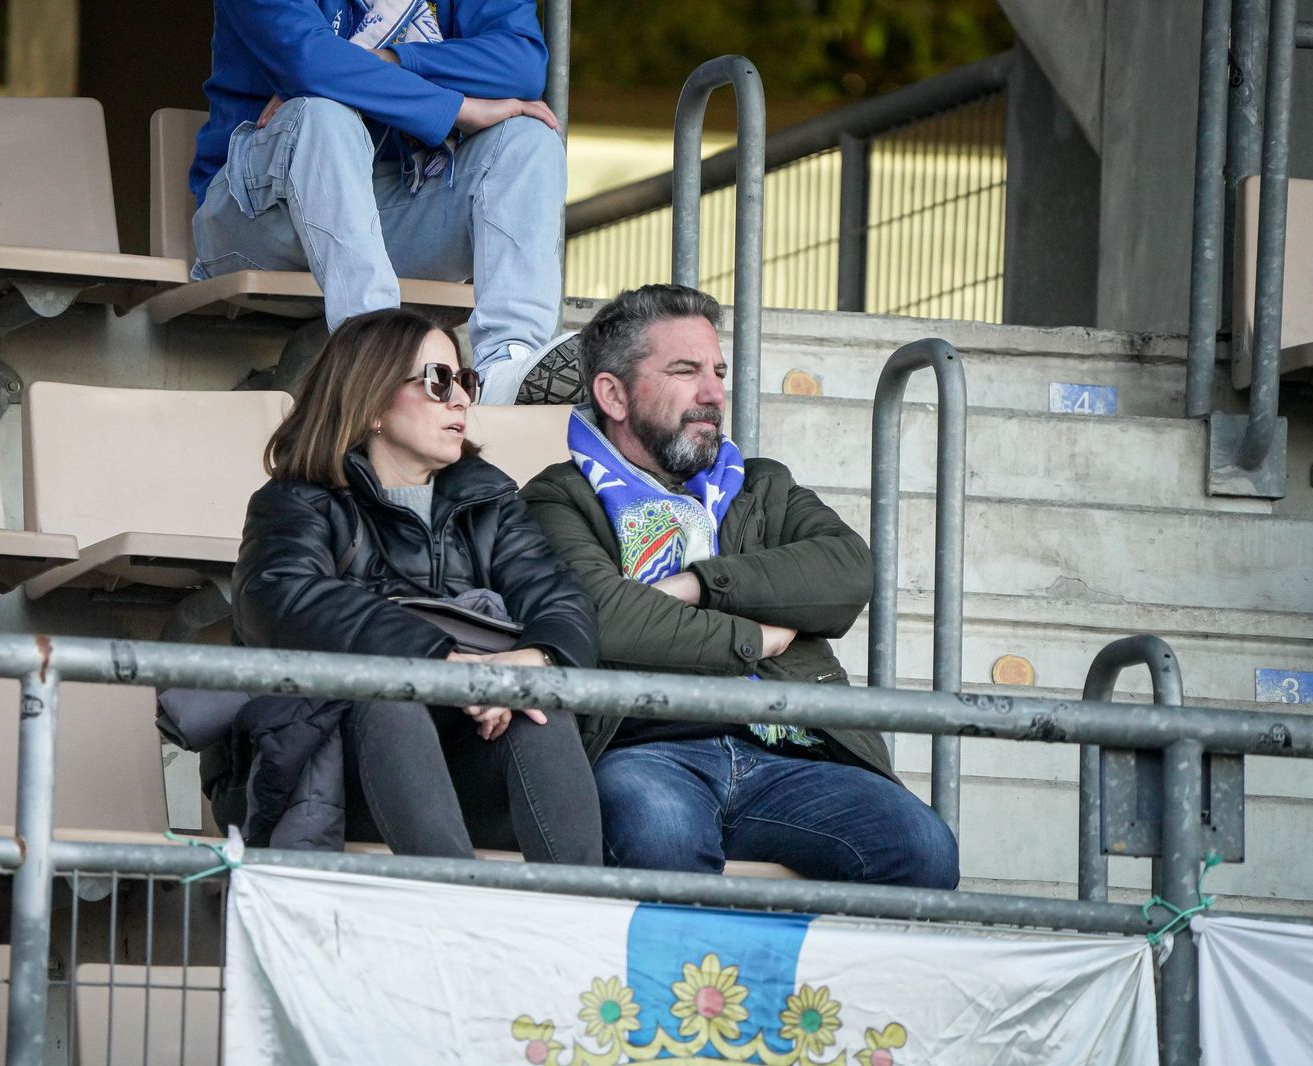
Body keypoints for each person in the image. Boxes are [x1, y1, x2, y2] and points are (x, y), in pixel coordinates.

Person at [520, 284, 959, 887]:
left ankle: (809, 984)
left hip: (792, 748)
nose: (712, 394)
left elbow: (848, 571)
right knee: (659, 834)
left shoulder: (761, 486)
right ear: (613, 394)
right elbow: (606, 617)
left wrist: (702, 584)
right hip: (645, 748)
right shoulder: (555, 497)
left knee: (921, 846)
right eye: (685, 370)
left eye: (718, 372)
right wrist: (759, 635)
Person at [210, 307, 602, 864]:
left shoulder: (491, 504)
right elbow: (283, 599)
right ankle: (446, 915)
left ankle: (582, 932)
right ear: (370, 400)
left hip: (466, 764)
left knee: (537, 709)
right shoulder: (293, 504)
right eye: (438, 381)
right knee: (389, 698)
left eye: (465, 381)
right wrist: (439, 664)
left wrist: (529, 664)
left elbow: (563, 601)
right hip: (324, 775)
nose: (461, 399)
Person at [189, 0, 581, 405]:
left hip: (387, 211)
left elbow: (521, 66)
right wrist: (456, 106)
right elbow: (308, 61)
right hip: (257, 217)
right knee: (324, 113)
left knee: (529, 139)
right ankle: (381, 358)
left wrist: (384, 60)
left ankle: (503, 367)